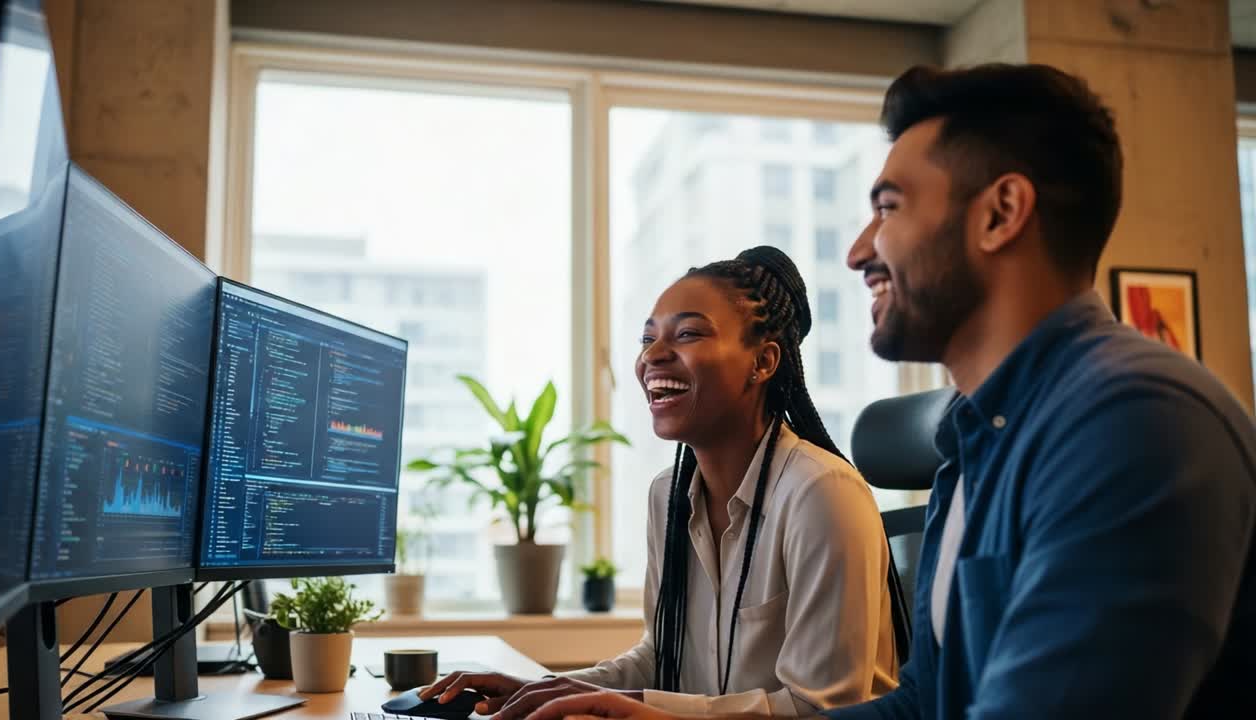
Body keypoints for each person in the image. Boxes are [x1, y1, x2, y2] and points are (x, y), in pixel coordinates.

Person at [520, 63, 1256, 720]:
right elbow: (920, 705)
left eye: (891, 207)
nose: (858, 250)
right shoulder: (974, 445)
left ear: (1001, 213)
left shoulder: (1133, 423)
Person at [421, 246, 899, 717]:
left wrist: (629, 706)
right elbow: (659, 658)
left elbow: (821, 709)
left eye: (688, 333)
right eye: (647, 339)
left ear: (763, 362)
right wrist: (543, 690)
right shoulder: (667, 495)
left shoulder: (821, 493)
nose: (653, 355)